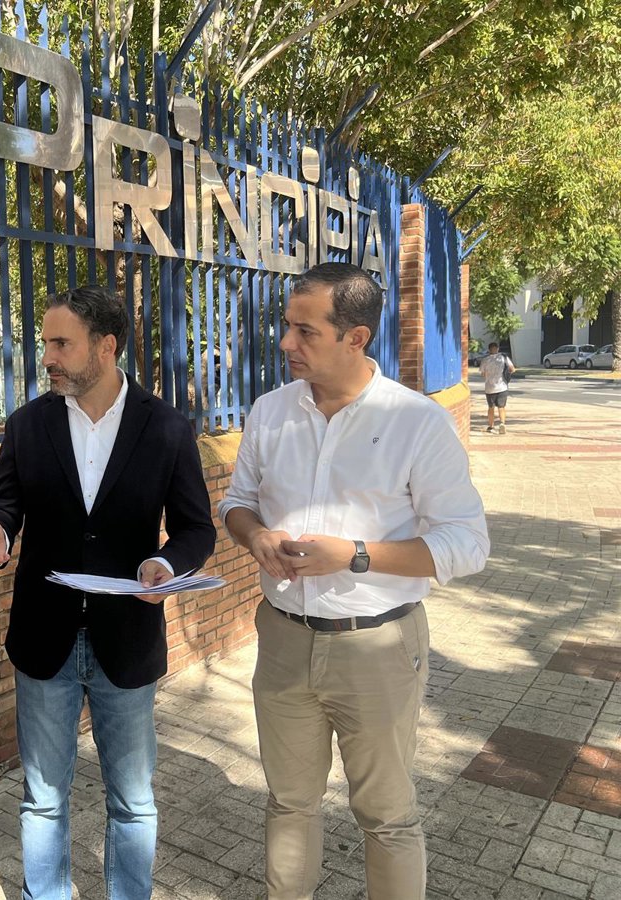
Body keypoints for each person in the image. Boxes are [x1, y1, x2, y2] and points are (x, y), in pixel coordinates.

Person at [219, 262, 490, 900]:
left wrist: (355, 556)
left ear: (356, 338)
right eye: (287, 326)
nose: (286, 342)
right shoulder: (270, 411)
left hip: (378, 646)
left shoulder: (415, 422)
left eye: (305, 331)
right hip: (283, 640)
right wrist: (255, 536)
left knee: (387, 815)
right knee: (290, 802)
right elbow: (237, 502)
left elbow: (467, 544)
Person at [0, 285, 216, 900]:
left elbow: (197, 528)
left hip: (125, 640)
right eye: (46, 343)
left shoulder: (165, 427)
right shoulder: (28, 424)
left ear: (105, 346)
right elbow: (5, 503)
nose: (47, 358)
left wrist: (165, 562)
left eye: (61, 344)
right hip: (43, 638)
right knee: (42, 798)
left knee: (132, 801)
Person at [479, 342, 515, 433]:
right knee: (501, 407)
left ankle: (491, 426)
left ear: (489, 349)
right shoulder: (503, 358)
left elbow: (483, 374)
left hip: (490, 388)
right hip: (502, 386)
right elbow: (512, 369)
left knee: (491, 407)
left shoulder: (485, 360)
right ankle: (502, 424)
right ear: (497, 349)